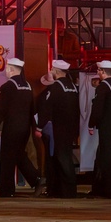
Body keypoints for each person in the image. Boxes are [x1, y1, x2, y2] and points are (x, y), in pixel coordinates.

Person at [0, 57, 43, 197]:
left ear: (11, 69)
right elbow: (32, 109)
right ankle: (36, 179)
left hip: (11, 128)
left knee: (7, 158)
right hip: (24, 128)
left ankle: (6, 190)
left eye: (7, 68)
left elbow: (1, 109)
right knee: (19, 155)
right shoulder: (27, 86)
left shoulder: (8, 86)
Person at [36, 59, 80, 198]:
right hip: (71, 128)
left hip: (59, 128)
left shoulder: (55, 87)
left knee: (62, 158)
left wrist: (39, 126)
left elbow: (47, 110)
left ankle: (67, 191)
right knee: (65, 156)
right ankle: (65, 189)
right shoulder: (73, 87)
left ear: (56, 71)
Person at [87, 59, 111, 199]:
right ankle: (98, 188)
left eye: (98, 71)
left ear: (102, 72)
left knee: (108, 158)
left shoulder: (103, 87)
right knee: (101, 156)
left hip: (106, 126)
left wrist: (91, 124)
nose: (97, 73)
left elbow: (97, 108)